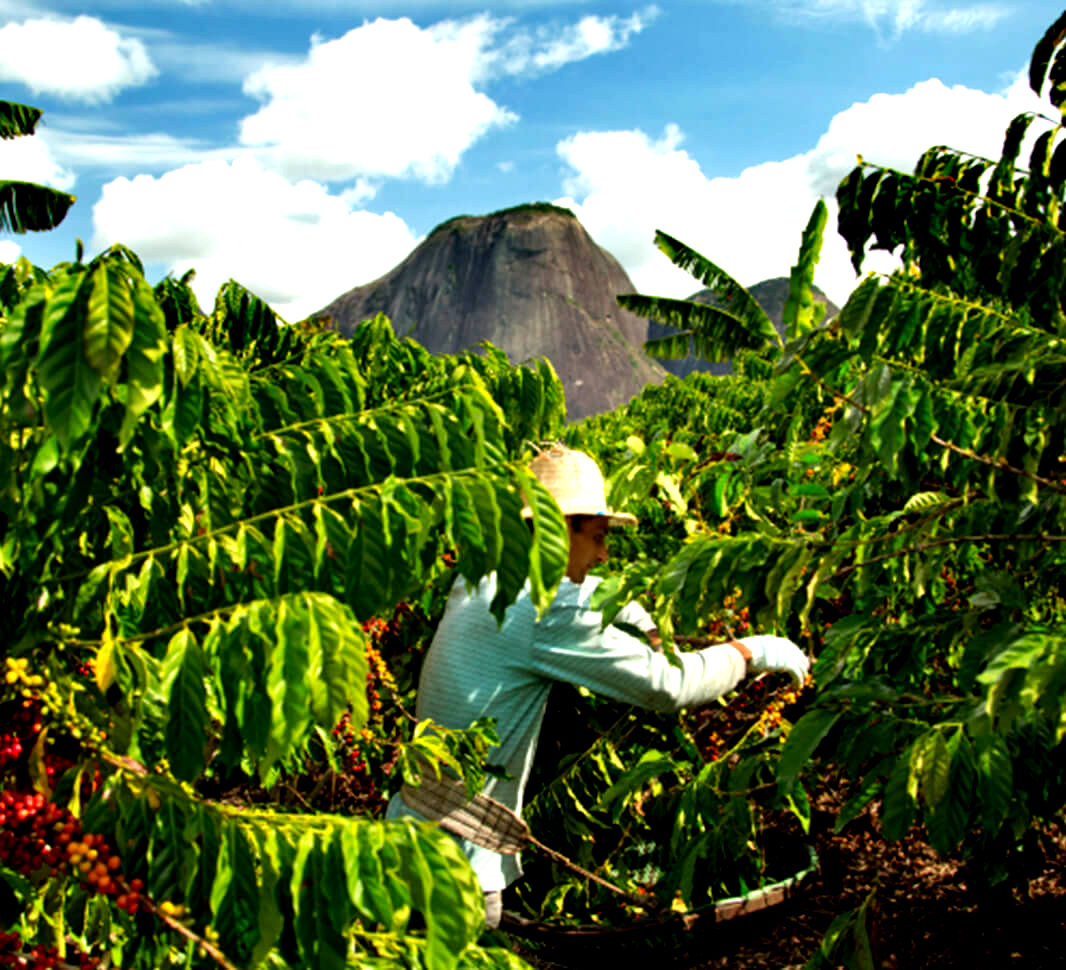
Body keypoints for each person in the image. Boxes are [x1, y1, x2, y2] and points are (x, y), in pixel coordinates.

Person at [385, 444, 808, 928]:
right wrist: (751, 652)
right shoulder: (546, 610)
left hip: (407, 833)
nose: (605, 553)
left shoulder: (485, 575)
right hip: (455, 872)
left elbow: (583, 591)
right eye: (599, 537)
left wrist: (642, 622)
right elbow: (667, 686)